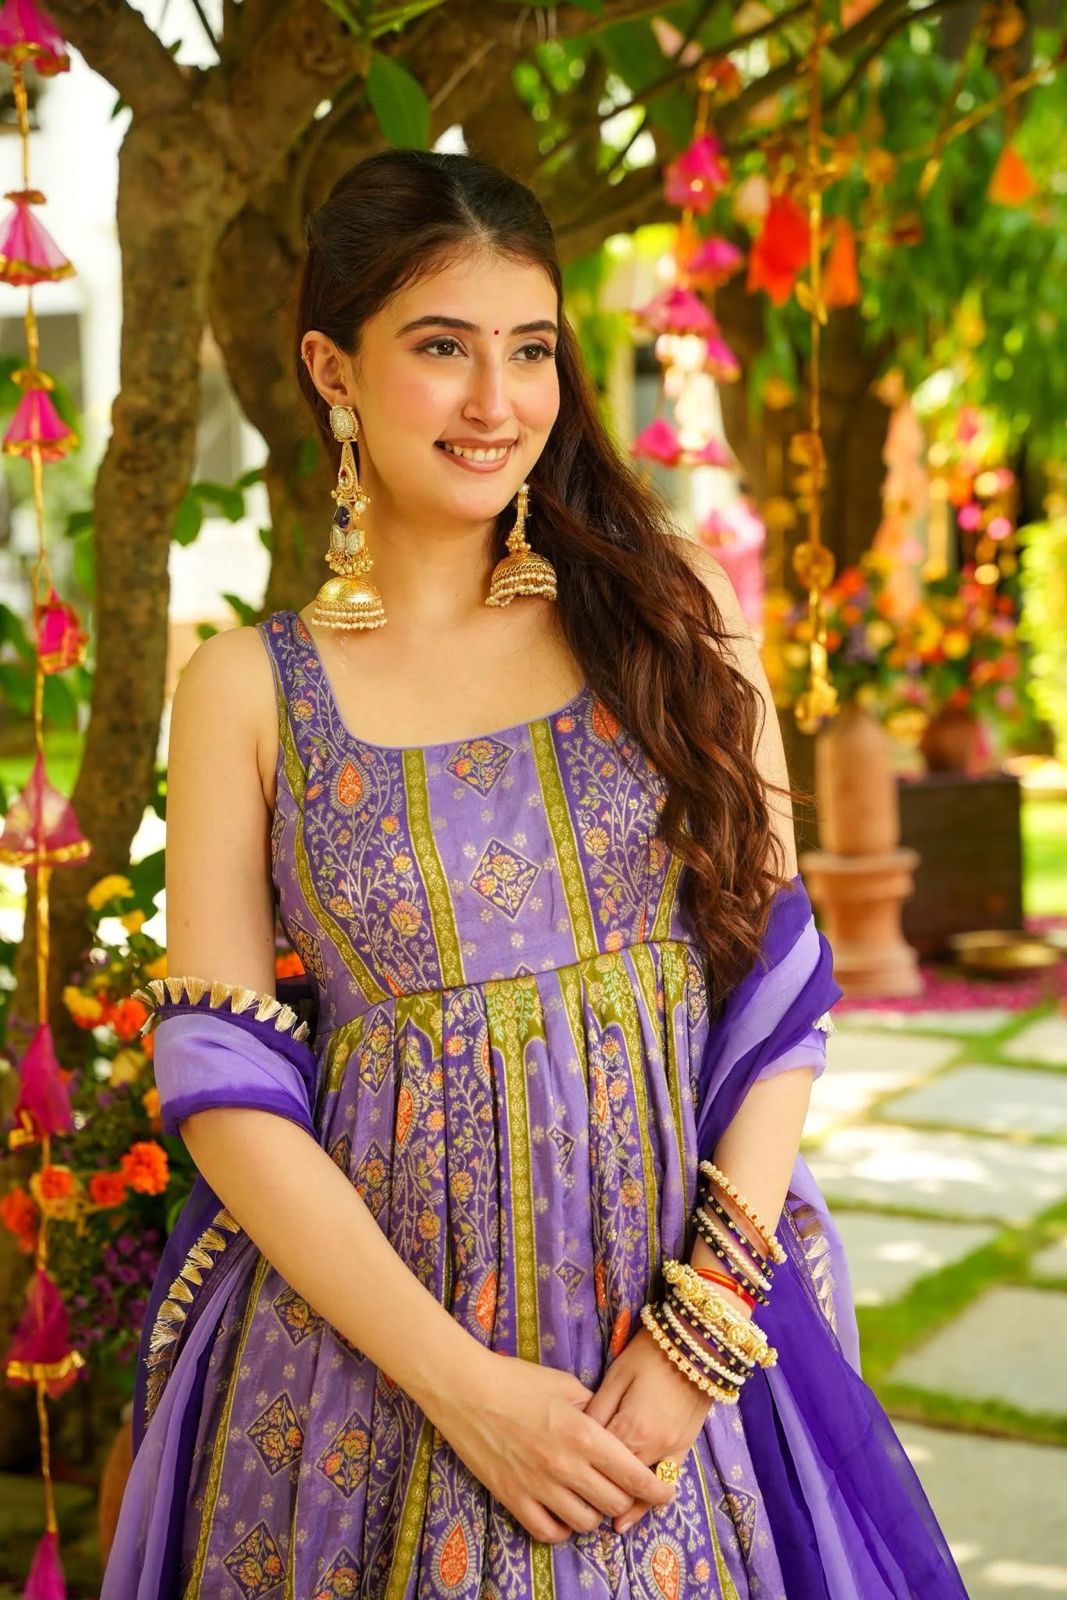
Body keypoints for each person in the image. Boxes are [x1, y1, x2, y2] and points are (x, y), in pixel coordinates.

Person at [102, 150, 968, 1600]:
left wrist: (700, 1338)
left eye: (531, 351)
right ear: (334, 364)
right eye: (442, 349)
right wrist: (464, 1390)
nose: (497, 402)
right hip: (367, 1375)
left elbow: (778, 989)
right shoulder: (248, 692)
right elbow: (220, 1084)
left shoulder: (667, 617)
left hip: (678, 1354)